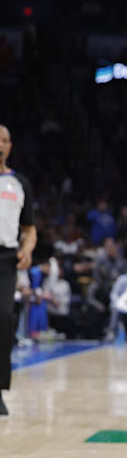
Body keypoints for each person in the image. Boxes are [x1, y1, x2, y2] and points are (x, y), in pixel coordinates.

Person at [0, 124, 35, 416]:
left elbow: (30, 228)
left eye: (5, 140)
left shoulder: (20, 183)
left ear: (10, 146)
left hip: (6, 258)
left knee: (4, 318)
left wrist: (27, 249)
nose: (1, 144)